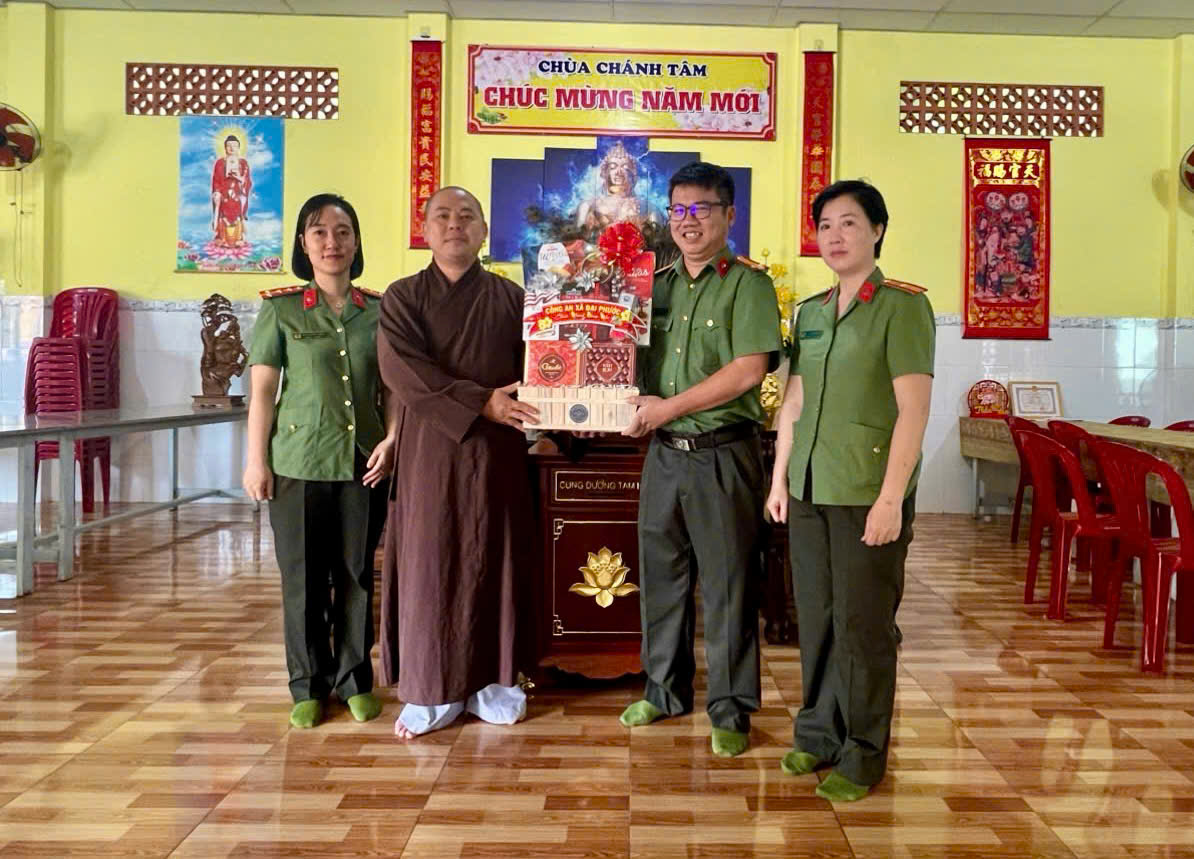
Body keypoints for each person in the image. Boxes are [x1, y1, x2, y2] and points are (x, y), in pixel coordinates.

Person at [765, 179, 934, 802]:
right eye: (826, 226)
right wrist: (780, 478)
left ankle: (863, 753)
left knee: (863, 625)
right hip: (810, 486)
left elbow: (913, 409)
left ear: (877, 230)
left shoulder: (902, 307)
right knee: (817, 618)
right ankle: (818, 733)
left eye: (850, 223)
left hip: (867, 490)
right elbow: (794, 401)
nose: (835, 236)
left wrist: (892, 498)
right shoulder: (810, 312)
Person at [619, 161, 782, 758]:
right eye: (679, 210)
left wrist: (667, 408)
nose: (688, 222)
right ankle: (664, 691)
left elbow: (748, 370)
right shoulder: (655, 285)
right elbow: (624, 354)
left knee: (729, 585)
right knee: (661, 579)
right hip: (665, 457)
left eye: (702, 209)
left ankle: (731, 709)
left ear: (728, 215)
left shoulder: (748, 285)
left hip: (722, 454)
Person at [377, 186, 540, 739]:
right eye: (443, 216)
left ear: (484, 232)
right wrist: (482, 402)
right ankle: (431, 690)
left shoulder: (513, 298)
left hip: (499, 453)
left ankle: (495, 684)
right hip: (431, 453)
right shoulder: (402, 297)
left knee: (496, 559)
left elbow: (540, 367)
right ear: (425, 230)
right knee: (431, 564)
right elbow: (405, 373)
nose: (455, 225)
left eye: (467, 216)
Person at [243, 192, 394, 729]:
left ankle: (354, 680)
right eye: (320, 232)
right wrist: (255, 461)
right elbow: (263, 392)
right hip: (297, 463)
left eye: (343, 231)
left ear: (357, 242)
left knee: (356, 574)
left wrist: (393, 439)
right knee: (303, 579)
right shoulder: (282, 309)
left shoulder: (379, 310)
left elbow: (391, 390)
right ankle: (307, 685)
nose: (333, 242)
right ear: (304, 245)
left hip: (363, 462)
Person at [576, 141, 662, 232]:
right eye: (613, 167)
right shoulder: (588, 206)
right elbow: (578, 237)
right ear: (604, 173)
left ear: (634, 175)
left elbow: (657, 237)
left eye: (625, 168)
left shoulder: (649, 208)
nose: (619, 172)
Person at [212, 135, 252, 246]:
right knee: (222, 209)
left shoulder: (243, 163)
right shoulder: (220, 163)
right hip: (223, 193)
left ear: (238, 147)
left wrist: (239, 178)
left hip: (238, 192)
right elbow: (216, 180)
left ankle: (239, 237)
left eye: (234, 146)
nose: (231, 148)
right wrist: (217, 192)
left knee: (239, 204)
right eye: (228, 145)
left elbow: (247, 181)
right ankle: (222, 237)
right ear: (225, 148)